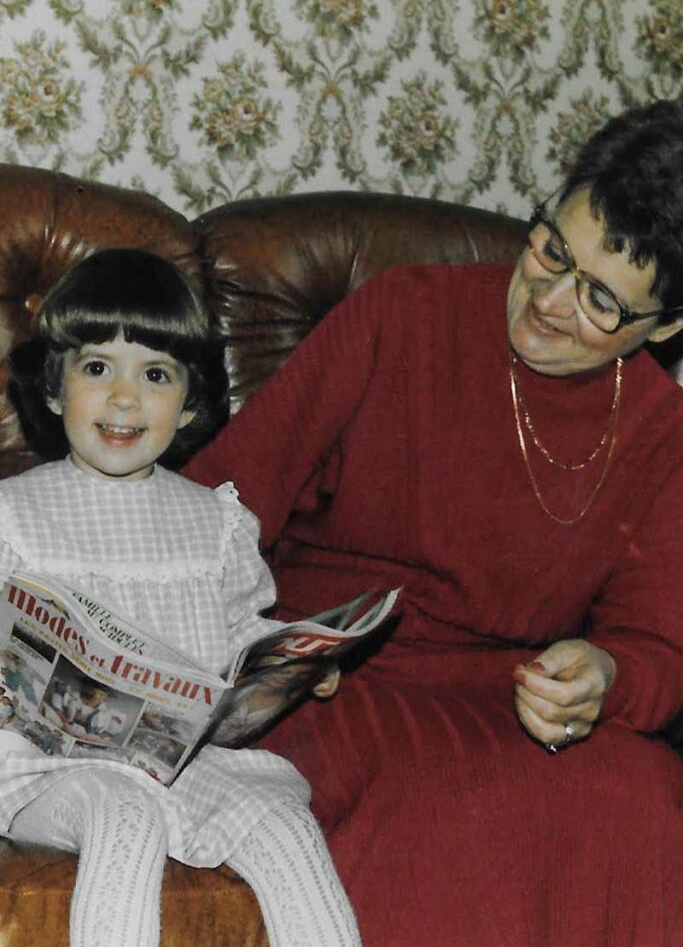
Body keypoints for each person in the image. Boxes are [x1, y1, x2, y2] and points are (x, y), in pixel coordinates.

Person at [184, 99, 683, 946]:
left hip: (503, 699)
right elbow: (213, 508)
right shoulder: (400, 313)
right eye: (551, 249)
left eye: (601, 298)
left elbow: (656, 647)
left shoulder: (661, 432)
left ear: (664, 328)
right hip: (339, 686)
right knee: (450, 825)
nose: (551, 301)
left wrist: (601, 674)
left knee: (637, 793)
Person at [0, 249, 360, 947]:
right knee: (122, 809)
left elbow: (242, 642)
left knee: (284, 825)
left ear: (190, 401)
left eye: (155, 375)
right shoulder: (12, 514)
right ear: (52, 386)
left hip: (189, 764)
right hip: (49, 770)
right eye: (97, 368)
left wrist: (291, 671)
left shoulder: (219, 523)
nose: (124, 398)